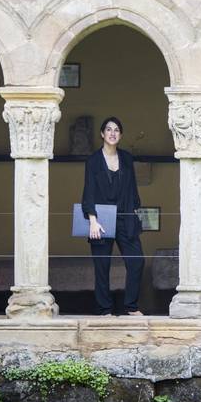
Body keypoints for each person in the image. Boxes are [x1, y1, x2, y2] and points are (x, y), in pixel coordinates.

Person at [82, 117, 144, 316]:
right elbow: (88, 191)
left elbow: (133, 189)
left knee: (137, 261)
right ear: (102, 134)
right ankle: (105, 309)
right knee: (102, 266)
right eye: (108, 129)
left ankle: (131, 307)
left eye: (116, 130)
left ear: (120, 135)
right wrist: (92, 220)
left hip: (125, 216)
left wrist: (135, 211)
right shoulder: (93, 161)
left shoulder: (126, 158)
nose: (112, 133)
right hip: (101, 218)